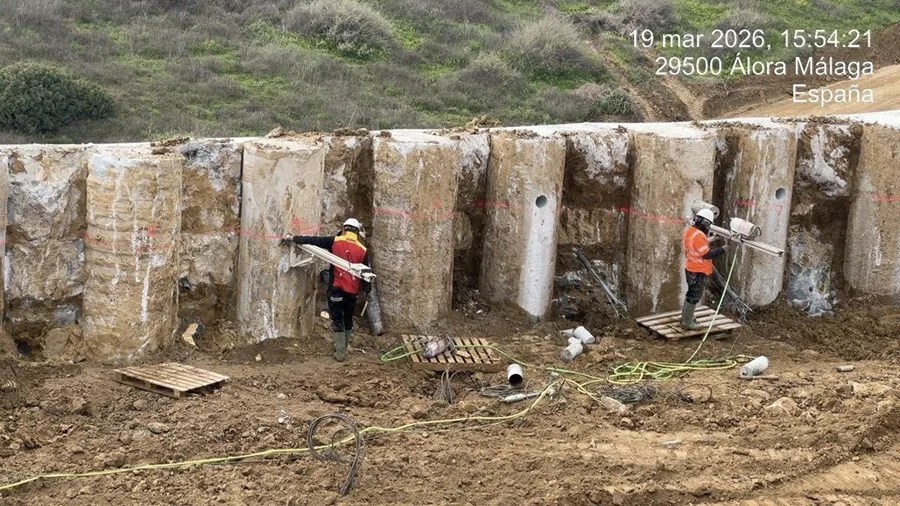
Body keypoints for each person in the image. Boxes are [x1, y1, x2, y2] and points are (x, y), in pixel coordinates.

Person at [281, 218, 371, 361]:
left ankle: (340, 353)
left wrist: (294, 238)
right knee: (347, 318)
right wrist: (367, 290)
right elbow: (366, 273)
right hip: (352, 292)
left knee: (338, 319)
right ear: (357, 232)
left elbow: (314, 240)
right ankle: (343, 348)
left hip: (337, 288)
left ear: (344, 228)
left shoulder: (335, 241)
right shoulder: (363, 250)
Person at [682, 208, 726, 330]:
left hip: (691, 268)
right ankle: (687, 322)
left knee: (690, 293)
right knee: (694, 296)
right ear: (706, 223)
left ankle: (686, 317)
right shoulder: (699, 235)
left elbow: (698, 244)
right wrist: (723, 249)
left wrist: (712, 239)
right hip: (698, 271)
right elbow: (706, 254)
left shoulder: (691, 231)